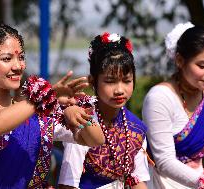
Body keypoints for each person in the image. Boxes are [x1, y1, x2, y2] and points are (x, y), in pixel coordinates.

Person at [0, 23, 105, 189]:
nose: (18, 66)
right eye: (6, 59)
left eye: (21, 57)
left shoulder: (36, 114)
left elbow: (95, 139)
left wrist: (77, 113)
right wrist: (46, 95)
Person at [142, 22, 204, 189]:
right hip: (162, 182)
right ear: (180, 61)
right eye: (202, 65)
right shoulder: (159, 98)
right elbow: (165, 161)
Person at [58, 32, 151, 189]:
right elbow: (68, 184)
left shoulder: (135, 127)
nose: (119, 90)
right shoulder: (81, 119)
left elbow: (137, 179)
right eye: (110, 81)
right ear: (93, 81)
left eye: (127, 81)